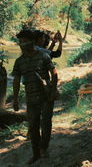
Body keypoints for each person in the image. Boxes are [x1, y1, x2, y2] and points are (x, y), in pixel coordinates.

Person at [12, 29, 59, 164]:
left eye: (24, 41)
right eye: (20, 42)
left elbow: (54, 73)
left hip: (46, 96)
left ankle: (43, 148)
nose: (22, 44)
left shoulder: (44, 56)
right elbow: (16, 80)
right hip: (30, 98)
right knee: (33, 127)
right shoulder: (19, 61)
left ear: (32, 42)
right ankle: (36, 154)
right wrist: (15, 100)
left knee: (45, 124)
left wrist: (52, 91)